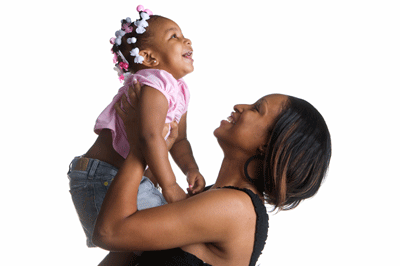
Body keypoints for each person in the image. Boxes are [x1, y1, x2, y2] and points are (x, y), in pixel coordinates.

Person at [92, 81, 332, 266]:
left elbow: (109, 232)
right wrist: (155, 153)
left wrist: (142, 141)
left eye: (257, 109)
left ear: (269, 145)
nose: (240, 106)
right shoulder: (214, 198)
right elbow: (123, 254)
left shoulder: (234, 207)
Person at [67, 5, 205, 262]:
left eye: (183, 34)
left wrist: (191, 169)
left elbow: (179, 140)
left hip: (116, 176)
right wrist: (171, 187)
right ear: (150, 58)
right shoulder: (154, 83)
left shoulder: (180, 90)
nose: (186, 40)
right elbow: (149, 137)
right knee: (168, 242)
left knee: (134, 252)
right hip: (104, 175)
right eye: (174, 36)